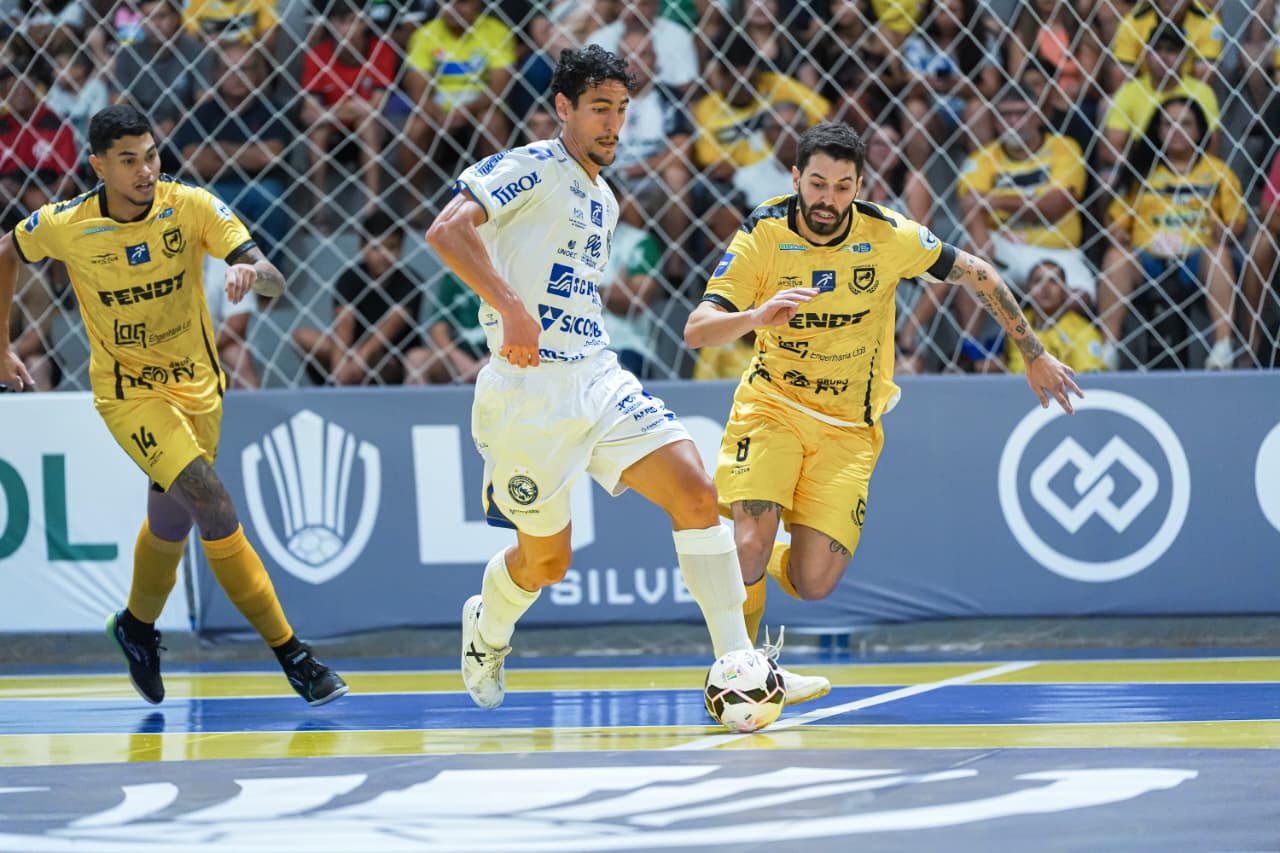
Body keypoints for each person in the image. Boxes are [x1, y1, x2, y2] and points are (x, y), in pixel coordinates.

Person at [425, 45, 827, 711]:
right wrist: (512, 309)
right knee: (548, 563)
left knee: (697, 491)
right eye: (598, 110)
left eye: (620, 110)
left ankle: (737, 660)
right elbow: (447, 231)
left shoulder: (604, 200)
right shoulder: (531, 167)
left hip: (597, 376)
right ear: (564, 109)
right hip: (528, 396)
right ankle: (487, 626)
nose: (613, 124)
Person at [683, 121, 1082, 651]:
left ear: (861, 186)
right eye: (818, 184)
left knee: (813, 582)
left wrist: (1032, 353)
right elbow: (696, 330)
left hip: (849, 428)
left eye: (843, 187)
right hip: (773, 406)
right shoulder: (763, 234)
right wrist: (757, 317)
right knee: (753, 543)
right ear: (797, 177)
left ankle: (733, 559)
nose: (829, 199)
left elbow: (980, 273)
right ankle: (739, 670)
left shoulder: (888, 236)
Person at [0, 104, 347, 707]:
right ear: (98, 166)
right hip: (129, 393)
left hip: (199, 389)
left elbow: (271, 276)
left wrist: (251, 273)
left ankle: (136, 628)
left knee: (173, 520)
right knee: (211, 502)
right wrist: (1, 344)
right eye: (129, 161)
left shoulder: (190, 206)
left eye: (152, 155)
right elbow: (6, 250)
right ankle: (294, 655)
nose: (145, 171)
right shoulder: (67, 223)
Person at [292, 207, 425, 385]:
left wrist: (362, 355)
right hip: (349, 354)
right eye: (377, 248)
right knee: (303, 336)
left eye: (392, 247)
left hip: (389, 359)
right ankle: (338, 382)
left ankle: (351, 372)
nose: (384, 255)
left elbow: (393, 322)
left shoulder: (411, 280)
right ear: (362, 247)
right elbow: (344, 321)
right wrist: (341, 363)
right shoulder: (350, 277)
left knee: (375, 357)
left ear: (401, 248)